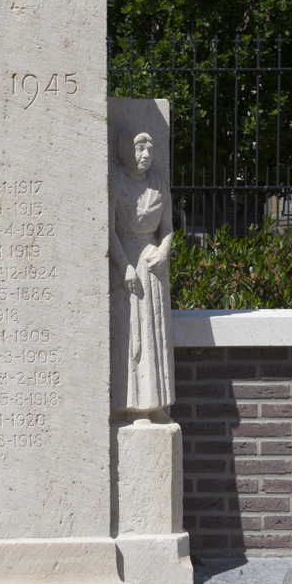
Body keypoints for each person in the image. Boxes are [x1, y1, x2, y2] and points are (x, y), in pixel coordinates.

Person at [110, 131, 174, 423]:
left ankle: (156, 403)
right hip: (128, 263)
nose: (145, 155)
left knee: (154, 334)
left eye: (149, 149)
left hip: (152, 266)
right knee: (131, 335)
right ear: (126, 150)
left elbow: (168, 228)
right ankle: (133, 406)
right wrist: (124, 265)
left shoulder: (160, 184)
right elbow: (108, 230)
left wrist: (164, 251)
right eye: (138, 148)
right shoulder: (116, 182)